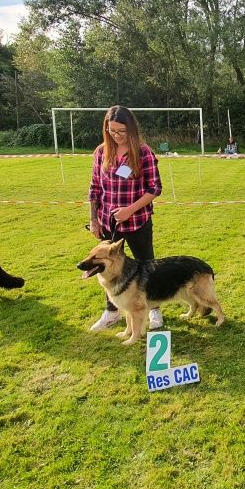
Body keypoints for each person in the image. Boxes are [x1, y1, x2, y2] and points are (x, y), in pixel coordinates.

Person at [87, 106, 165, 331]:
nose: (117, 135)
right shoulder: (101, 152)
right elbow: (94, 188)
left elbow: (154, 188)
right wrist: (94, 219)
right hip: (109, 224)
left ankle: (154, 309)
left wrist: (129, 210)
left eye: (121, 131)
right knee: (108, 270)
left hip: (137, 220)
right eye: (112, 131)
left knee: (146, 266)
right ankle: (112, 313)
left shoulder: (143, 152)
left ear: (131, 128)